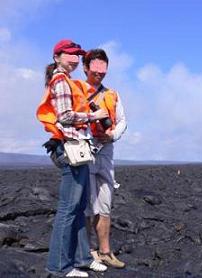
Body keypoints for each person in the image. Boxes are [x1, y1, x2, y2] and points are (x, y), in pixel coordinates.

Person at [36, 39, 109, 277]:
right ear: (57, 56)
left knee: (78, 208)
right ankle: (59, 267)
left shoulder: (66, 80)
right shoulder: (60, 80)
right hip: (70, 148)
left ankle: (82, 259)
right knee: (68, 209)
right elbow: (66, 116)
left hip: (77, 149)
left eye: (78, 55)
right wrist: (93, 115)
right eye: (70, 54)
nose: (75, 59)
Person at [79, 49, 127, 268]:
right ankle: (88, 253)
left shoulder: (112, 94)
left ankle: (105, 252)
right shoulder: (76, 91)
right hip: (84, 151)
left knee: (105, 203)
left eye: (103, 70)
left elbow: (122, 120)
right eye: (95, 70)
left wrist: (113, 135)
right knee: (87, 204)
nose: (99, 74)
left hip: (106, 152)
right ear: (86, 68)